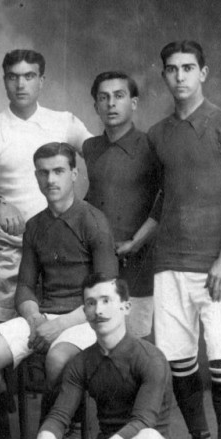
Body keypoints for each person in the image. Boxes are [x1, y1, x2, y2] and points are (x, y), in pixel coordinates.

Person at [148, 40, 221, 439]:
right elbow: (159, 198)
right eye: (171, 69)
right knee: (179, 362)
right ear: (164, 76)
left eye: (188, 68)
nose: (180, 77)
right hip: (169, 262)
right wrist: (135, 241)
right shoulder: (157, 134)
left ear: (204, 73)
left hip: (217, 266)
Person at [0, 142, 117, 439]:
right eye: (44, 173)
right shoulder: (35, 225)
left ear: (74, 174)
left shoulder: (93, 221)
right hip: (43, 316)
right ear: (36, 177)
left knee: (58, 358)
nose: (51, 180)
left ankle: (63, 432)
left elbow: (105, 294)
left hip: (85, 317)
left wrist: (60, 325)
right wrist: (36, 319)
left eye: (59, 171)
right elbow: (24, 286)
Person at [8, 273, 174, 439]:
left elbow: (142, 422)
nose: (99, 310)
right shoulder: (82, 361)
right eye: (91, 303)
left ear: (125, 307)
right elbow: (59, 416)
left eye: (107, 300)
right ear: (84, 313)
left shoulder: (151, 358)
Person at [0, 49, 92, 330]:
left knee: (63, 334)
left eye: (29, 76)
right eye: (13, 77)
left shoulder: (64, 121)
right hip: (13, 250)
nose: (21, 85)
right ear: (4, 81)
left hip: (64, 251)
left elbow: (104, 159)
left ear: (41, 80)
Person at [83, 71, 160, 339]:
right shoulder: (90, 147)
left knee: (135, 341)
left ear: (134, 103)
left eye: (119, 96)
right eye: (103, 98)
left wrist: (136, 242)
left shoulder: (151, 146)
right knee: (99, 338)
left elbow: (164, 202)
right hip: (100, 262)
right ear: (95, 106)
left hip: (139, 263)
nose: (111, 104)